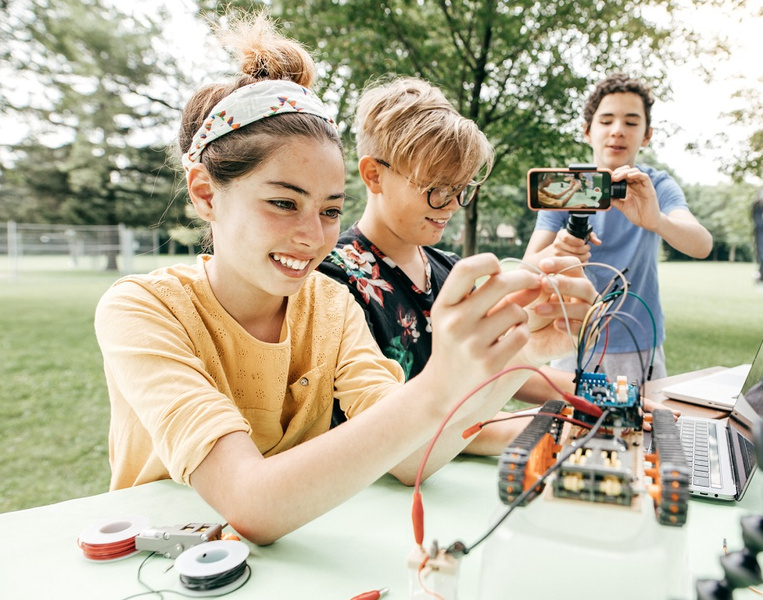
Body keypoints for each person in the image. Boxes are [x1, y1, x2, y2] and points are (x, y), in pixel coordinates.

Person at [93, 13, 595, 546]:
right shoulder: (142, 309)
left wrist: (514, 354)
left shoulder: (330, 303)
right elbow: (250, 503)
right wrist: (443, 382)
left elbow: (411, 458)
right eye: (284, 202)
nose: (313, 236)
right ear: (204, 192)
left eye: (331, 211)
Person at [318, 76, 576, 402]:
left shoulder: (449, 270)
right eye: (437, 189)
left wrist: (606, 398)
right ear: (374, 175)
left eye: (461, 189)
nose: (453, 205)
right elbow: (398, 422)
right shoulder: (333, 281)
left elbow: (495, 372)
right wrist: (561, 426)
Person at [523, 73, 713, 386]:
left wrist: (657, 220)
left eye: (631, 122)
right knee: (570, 428)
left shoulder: (656, 186)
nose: (617, 131)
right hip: (572, 337)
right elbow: (528, 265)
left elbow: (702, 244)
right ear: (587, 131)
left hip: (638, 342)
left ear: (647, 135)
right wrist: (558, 249)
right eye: (606, 120)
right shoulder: (563, 187)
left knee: (643, 430)